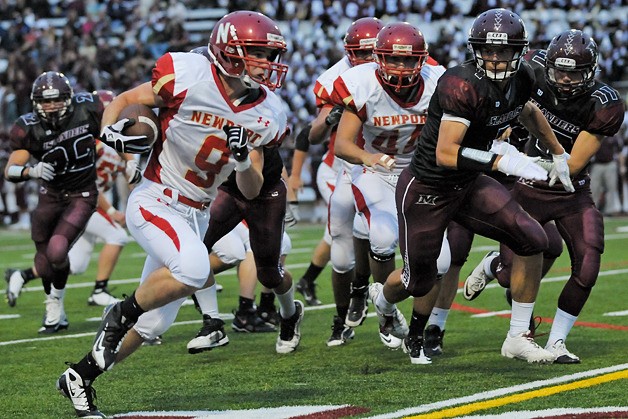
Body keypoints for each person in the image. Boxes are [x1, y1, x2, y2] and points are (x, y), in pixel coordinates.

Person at [56, 12, 297, 418]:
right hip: (157, 199)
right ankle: (119, 312)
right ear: (229, 51)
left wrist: (241, 161)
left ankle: (80, 376)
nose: (266, 64)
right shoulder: (187, 73)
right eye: (257, 53)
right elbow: (122, 101)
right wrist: (113, 137)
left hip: (196, 213)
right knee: (192, 268)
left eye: (269, 55)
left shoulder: (268, 113)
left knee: (151, 327)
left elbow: (252, 190)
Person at [367, 8, 575, 365]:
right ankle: (383, 300)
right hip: (428, 188)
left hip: (468, 183)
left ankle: (517, 337)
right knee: (419, 280)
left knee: (533, 239)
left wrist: (558, 154)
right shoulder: (459, 83)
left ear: (519, 51)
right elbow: (446, 153)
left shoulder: (525, 75)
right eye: (488, 50)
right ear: (476, 49)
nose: (495, 58)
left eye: (504, 51)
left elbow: (526, 110)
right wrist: (501, 161)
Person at [463, 29, 625, 363]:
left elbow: (574, 164)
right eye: (559, 71)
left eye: (575, 72)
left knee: (589, 262)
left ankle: (558, 342)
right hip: (527, 190)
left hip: (569, 190)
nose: (565, 79)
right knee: (512, 276)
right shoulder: (530, 67)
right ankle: (494, 265)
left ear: (591, 72)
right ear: (547, 65)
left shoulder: (603, 103)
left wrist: (519, 157)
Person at [333, 21, 450, 350]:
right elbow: (342, 144)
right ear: (378, 58)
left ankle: (385, 303)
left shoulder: (436, 83)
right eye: (393, 59)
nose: (401, 67)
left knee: (439, 262)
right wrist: (368, 159)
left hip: (419, 173)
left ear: (422, 60)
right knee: (383, 237)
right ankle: (387, 307)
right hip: (375, 172)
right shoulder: (362, 84)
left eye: (409, 60)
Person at [5, 90, 142, 308]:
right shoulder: (93, 142)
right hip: (82, 200)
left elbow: (131, 178)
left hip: (90, 201)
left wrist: (134, 169)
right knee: (117, 236)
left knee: (74, 265)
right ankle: (99, 290)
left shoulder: (120, 143)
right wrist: (112, 211)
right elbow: (91, 182)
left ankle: (21, 275)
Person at [300, 17, 384, 346]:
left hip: (388, 165)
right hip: (347, 167)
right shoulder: (335, 80)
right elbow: (315, 134)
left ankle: (374, 298)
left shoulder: (406, 65)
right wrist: (331, 117)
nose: (367, 60)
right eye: (360, 53)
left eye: (372, 52)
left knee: (380, 237)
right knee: (341, 252)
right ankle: (342, 315)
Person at [3, 71, 100, 333]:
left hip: (81, 193)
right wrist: (30, 172)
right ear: (36, 103)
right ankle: (56, 309)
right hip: (51, 195)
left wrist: (127, 155)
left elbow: (119, 116)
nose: (51, 106)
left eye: (56, 100)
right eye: (45, 101)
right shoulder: (28, 127)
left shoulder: (88, 108)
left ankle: (55, 302)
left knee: (58, 250)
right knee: (44, 259)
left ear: (68, 98)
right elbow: (10, 169)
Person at [187, 158, 304, 352]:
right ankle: (214, 321)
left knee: (269, 273)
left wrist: (291, 197)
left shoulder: (262, 128)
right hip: (224, 189)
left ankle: (289, 314)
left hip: (265, 192)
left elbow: (259, 176)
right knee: (195, 250)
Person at [187, 220, 293, 353]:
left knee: (278, 241)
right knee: (262, 242)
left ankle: (265, 307)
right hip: (219, 210)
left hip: (227, 208)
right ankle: (246, 312)